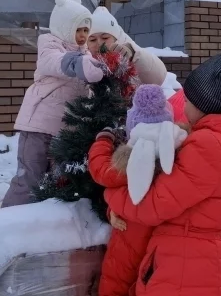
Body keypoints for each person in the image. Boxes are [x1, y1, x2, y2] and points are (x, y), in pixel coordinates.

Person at [104, 53, 221, 296]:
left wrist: (111, 195)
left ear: (204, 105)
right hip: (196, 262)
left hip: (184, 269)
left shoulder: (208, 145)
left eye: (188, 100)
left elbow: (155, 205)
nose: (183, 105)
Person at [1, 0, 105, 208]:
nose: (83, 35)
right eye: (78, 29)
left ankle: (43, 225)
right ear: (65, 26)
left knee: (57, 182)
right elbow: (54, 63)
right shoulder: (49, 45)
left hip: (64, 133)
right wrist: (79, 63)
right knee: (29, 178)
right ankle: (7, 224)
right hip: (38, 128)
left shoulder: (84, 55)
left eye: (86, 30)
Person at [88, 84, 187, 296]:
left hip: (128, 236)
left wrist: (104, 140)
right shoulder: (178, 158)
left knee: (117, 280)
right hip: (161, 245)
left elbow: (101, 170)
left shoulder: (128, 161)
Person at [88, 6, 167, 86]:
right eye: (92, 40)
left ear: (116, 38)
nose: (99, 43)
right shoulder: (82, 59)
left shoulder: (129, 52)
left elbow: (159, 78)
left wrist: (133, 55)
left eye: (105, 38)